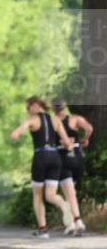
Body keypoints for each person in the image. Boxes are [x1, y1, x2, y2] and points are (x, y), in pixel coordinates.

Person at [10, 96, 74, 238]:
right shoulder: (56, 120)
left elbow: (15, 134)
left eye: (28, 108)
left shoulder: (31, 120)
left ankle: (43, 229)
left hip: (40, 157)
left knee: (38, 195)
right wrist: (71, 144)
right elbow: (67, 144)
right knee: (51, 195)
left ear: (35, 105)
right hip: (54, 157)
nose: (28, 111)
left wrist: (14, 133)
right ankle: (64, 204)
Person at [51, 97, 92, 236]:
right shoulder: (75, 119)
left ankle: (78, 221)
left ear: (53, 108)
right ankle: (72, 224)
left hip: (62, 157)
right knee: (70, 191)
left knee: (69, 192)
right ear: (65, 107)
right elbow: (89, 128)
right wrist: (84, 139)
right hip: (77, 157)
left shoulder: (52, 122)